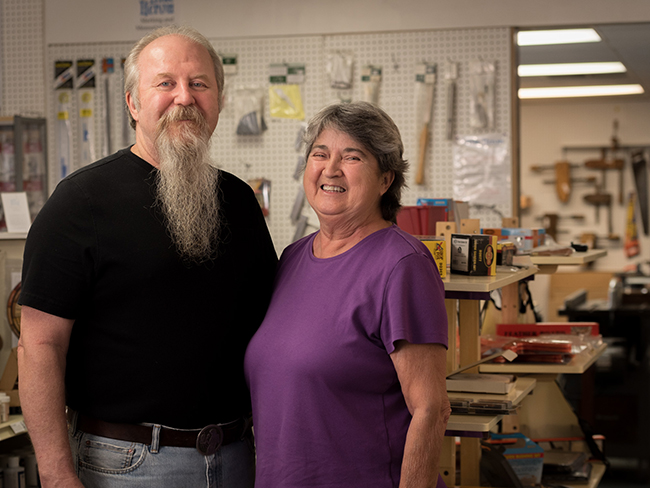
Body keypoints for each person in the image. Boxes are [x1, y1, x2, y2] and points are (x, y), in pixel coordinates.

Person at [17, 25, 277, 488]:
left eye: (199, 84)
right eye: (165, 83)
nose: (185, 97)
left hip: (237, 457)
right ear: (133, 103)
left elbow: (268, 328)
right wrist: (57, 475)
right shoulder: (80, 203)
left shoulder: (239, 200)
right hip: (126, 465)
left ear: (218, 98)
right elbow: (39, 346)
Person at [245, 101, 451, 488]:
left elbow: (431, 409)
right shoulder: (292, 258)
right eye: (319, 154)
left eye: (351, 157)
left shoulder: (402, 264)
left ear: (385, 179)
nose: (330, 169)